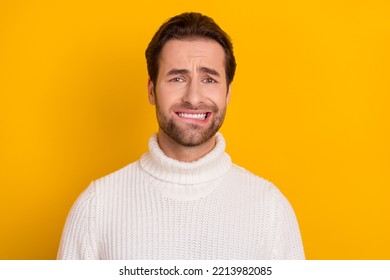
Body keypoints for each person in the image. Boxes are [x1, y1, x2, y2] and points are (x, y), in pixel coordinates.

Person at [57, 12, 305, 260]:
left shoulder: (270, 209)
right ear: (152, 90)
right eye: (177, 78)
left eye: (209, 79)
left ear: (228, 92)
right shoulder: (96, 207)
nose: (193, 97)